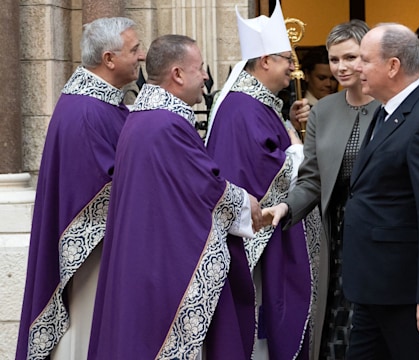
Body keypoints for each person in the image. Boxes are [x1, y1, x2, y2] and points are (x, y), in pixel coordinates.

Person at [87, 34, 263, 359]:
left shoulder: (145, 117)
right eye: (200, 69)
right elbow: (206, 187)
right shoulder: (165, 124)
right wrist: (247, 204)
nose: (207, 77)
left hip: (145, 257)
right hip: (162, 267)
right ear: (178, 74)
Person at [15, 17, 144, 360]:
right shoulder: (86, 111)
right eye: (134, 49)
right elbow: (102, 190)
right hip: (92, 259)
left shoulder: (100, 103)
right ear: (109, 59)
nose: (141, 57)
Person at [204, 1, 321, 358]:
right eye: (287, 58)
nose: (293, 66)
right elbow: (264, 172)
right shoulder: (242, 108)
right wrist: (301, 150)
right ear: (265, 61)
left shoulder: (261, 103)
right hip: (258, 242)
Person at [262, 19, 378, 360]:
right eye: (334, 59)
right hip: (338, 234)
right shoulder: (324, 111)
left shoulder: (393, 107)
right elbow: (312, 178)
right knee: (339, 322)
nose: (340, 67)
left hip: (382, 231)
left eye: (350, 57)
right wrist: (285, 207)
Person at [346, 23, 419, 359]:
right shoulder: (386, 113)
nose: (356, 68)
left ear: (393, 66)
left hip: (407, 296)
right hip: (372, 287)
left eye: (365, 60)